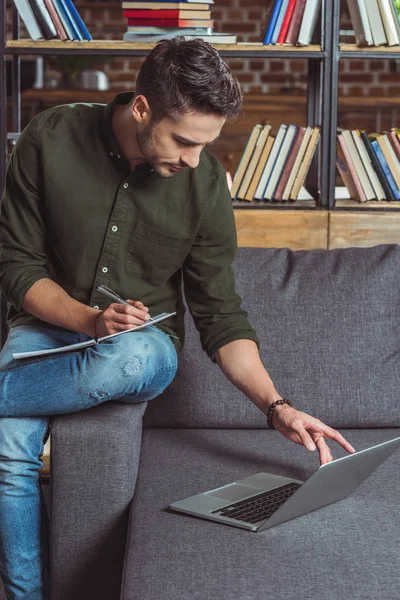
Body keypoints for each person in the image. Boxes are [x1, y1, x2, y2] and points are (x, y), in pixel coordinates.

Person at [0, 37, 355, 600]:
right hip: (45, 329)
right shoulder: (53, 136)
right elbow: (17, 266)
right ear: (142, 108)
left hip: (138, 352)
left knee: (131, 355)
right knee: (7, 449)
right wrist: (89, 319)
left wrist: (277, 407)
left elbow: (221, 314)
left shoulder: (205, 183)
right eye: (185, 141)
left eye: (205, 145)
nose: (194, 160)